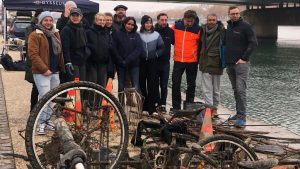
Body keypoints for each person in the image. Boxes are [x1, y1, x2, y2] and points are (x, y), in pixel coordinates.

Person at [28, 11, 64, 134]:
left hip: (55, 71)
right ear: (41, 21)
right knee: (44, 97)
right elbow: (33, 54)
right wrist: (44, 69)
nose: (48, 22)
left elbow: (60, 52)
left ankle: (47, 120)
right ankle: (41, 123)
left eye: (50, 20)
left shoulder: (55, 33)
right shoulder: (35, 35)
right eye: (45, 20)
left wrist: (61, 67)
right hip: (41, 72)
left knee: (53, 98)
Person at [225, 6, 258, 127]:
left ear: (239, 14)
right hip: (230, 64)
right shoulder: (228, 26)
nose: (235, 15)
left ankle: (242, 118)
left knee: (241, 90)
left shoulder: (245, 26)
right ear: (229, 14)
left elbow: (253, 42)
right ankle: (238, 113)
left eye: (237, 13)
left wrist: (244, 58)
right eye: (232, 14)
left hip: (241, 65)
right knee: (235, 90)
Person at [171, 10, 201, 111]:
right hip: (178, 60)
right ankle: (176, 107)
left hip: (192, 61)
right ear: (183, 18)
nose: (189, 23)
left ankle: (189, 106)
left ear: (194, 20)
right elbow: (169, 37)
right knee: (175, 83)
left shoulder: (198, 29)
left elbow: (201, 45)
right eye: (187, 21)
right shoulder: (176, 26)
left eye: (191, 21)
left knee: (191, 84)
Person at [198, 13, 225, 118]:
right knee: (206, 89)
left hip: (216, 63)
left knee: (216, 89)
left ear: (216, 20)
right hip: (205, 63)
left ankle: (215, 108)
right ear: (207, 20)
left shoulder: (222, 31)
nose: (211, 22)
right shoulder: (202, 30)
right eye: (209, 20)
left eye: (213, 20)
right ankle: (209, 108)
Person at [139, 15, 165, 115]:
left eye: (150, 23)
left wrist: (156, 54)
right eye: (146, 23)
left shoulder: (156, 34)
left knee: (152, 84)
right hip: (141, 62)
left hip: (152, 62)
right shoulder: (138, 34)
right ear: (143, 24)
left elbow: (162, 48)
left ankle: (152, 108)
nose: (149, 24)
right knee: (142, 84)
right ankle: (144, 107)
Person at [112, 16, 142, 95]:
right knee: (121, 86)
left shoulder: (137, 35)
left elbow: (138, 49)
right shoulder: (117, 34)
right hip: (121, 64)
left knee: (136, 86)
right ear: (125, 24)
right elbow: (114, 48)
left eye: (132, 25)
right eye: (128, 24)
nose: (130, 26)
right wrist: (120, 60)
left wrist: (128, 60)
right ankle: (120, 105)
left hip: (134, 64)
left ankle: (139, 105)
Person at [60, 8, 90, 81]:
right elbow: (65, 47)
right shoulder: (66, 29)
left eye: (77, 15)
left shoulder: (82, 28)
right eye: (73, 15)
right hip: (72, 62)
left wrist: (87, 54)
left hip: (82, 61)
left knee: (82, 84)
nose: (75, 17)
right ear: (70, 17)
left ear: (81, 17)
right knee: (74, 85)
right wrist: (67, 62)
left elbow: (85, 44)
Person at [154, 13, 174, 113]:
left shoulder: (170, 31)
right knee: (155, 84)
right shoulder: (153, 31)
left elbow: (176, 43)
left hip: (165, 63)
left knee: (164, 85)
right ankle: (157, 102)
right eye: (162, 20)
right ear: (158, 20)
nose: (164, 22)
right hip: (154, 62)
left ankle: (163, 104)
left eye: (166, 20)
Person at [24, 8, 43, 111]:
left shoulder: (46, 28)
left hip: (44, 62)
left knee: (42, 88)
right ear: (36, 17)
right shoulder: (30, 28)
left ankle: (39, 109)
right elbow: (29, 47)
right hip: (34, 62)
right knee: (36, 87)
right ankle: (33, 109)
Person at [86, 13, 112, 87]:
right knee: (92, 86)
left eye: (103, 20)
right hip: (92, 63)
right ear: (95, 21)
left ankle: (100, 99)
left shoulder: (107, 33)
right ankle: (90, 99)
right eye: (100, 20)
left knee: (101, 86)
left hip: (103, 64)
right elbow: (86, 46)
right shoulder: (89, 32)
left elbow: (110, 46)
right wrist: (90, 54)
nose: (102, 21)